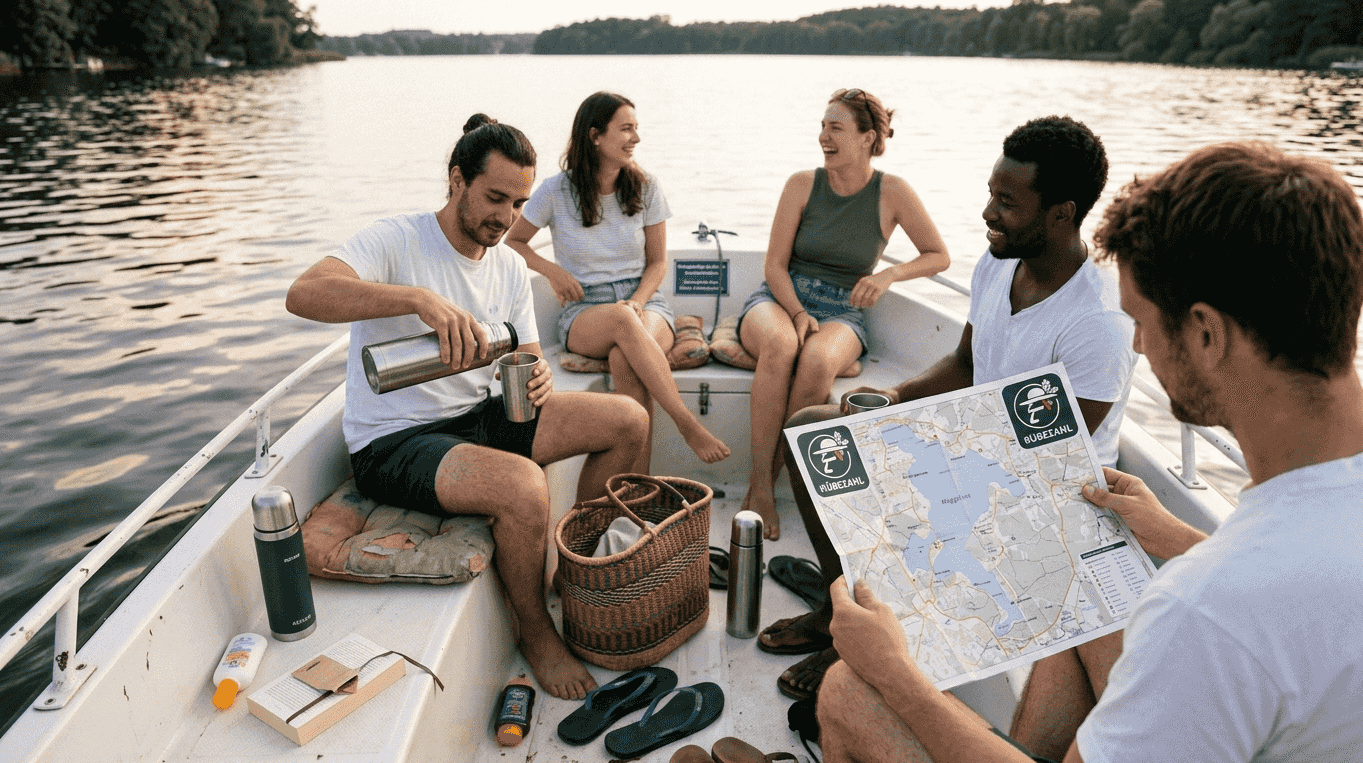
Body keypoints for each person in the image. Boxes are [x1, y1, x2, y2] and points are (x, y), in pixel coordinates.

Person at [819, 141, 1363, 763]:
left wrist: (898, 676)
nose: (1134, 343)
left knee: (847, 691)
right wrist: (1179, 537)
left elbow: (1240, 609)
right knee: (1080, 610)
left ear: (1206, 334)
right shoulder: (1265, 563)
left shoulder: (1208, 610)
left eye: (1140, 322)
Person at [759, 116, 1136, 703]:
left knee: (894, 485)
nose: (988, 213)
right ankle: (844, 606)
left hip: (1050, 492)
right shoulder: (998, 264)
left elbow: (1055, 455)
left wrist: (924, 451)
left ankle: (866, 628)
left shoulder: (1098, 321)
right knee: (814, 432)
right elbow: (966, 362)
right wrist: (894, 400)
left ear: (1062, 213)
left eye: (1007, 203)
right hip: (976, 447)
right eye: (991, 193)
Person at [285, 114, 650, 700]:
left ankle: (579, 577)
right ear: (457, 180)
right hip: (397, 440)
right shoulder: (398, 240)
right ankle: (535, 633)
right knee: (524, 486)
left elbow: (529, 358)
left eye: (519, 203)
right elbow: (303, 294)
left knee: (627, 419)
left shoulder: (507, 264)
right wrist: (417, 299)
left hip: (481, 416)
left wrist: (537, 378)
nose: (506, 218)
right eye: (494, 197)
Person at [739, 88, 951, 540]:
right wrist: (796, 313)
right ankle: (759, 487)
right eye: (822, 126)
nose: (823, 137)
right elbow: (774, 265)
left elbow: (937, 256)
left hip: (844, 311)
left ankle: (779, 477)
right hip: (780, 298)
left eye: (835, 128)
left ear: (866, 137)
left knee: (815, 362)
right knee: (781, 345)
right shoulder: (802, 183)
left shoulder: (892, 191)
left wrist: (889, 275)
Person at [505, 92, 728, 471]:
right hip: (584, 310)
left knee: (625, 358)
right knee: (623, 323)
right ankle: (686, 422)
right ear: (595, 136)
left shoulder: (646, 186)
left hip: (645, 302)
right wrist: (553, 271)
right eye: (626, 129)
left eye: (636, 129)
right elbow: (512, 241)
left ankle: (635, 487)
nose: (636, 138)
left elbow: (658, 263)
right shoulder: (555, 191)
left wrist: (639, 301)